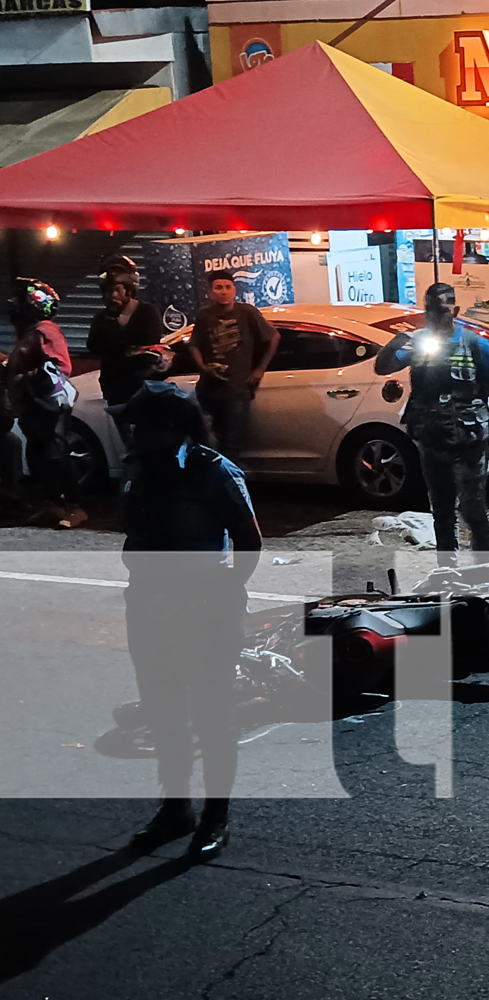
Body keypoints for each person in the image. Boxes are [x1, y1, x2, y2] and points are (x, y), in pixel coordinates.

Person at [112, 381, 262, 861]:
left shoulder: (214, 472)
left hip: (203, 607)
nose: (130, 432)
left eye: (141, 424)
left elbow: (249, 541)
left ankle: (216, 816)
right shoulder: (138, 467)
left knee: (212, 714)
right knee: (163, 709)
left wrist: (223, 593)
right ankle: (176, 809)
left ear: (172, 428)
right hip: (149, 604)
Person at [375, 282, 489, 567]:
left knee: (473, 507)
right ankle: (448, 568)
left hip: (469, 440)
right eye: (430, 311)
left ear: (454, 311)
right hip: (432, 439)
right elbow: (383, 367)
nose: (436, 318)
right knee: (441, 508)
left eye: (442, 311)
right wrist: (396, 341)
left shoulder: (476, 345)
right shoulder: (419, 344)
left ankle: (484, 567)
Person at [2, 277, 84, 527]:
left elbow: (60, 367)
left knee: (55, 455)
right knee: (39, 456)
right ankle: (51, 507)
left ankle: (73, 509)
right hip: (33, 407)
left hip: (48, 407)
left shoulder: (45, 330)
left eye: (20, 300)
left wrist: (21, 376)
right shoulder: (28, 334)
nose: (14, 305)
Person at [188, 270, 279, 462]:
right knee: (210, 441)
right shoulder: (205, 315)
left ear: (234, 290)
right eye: (218, 288)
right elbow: (193, 344)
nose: (223, 292)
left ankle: (228, 485)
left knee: (231, 445)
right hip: (208, 390)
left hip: (237, 390)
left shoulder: (247, 312)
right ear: (210, 292)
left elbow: (274, 337)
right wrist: (203, 367)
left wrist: (259, 370)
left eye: (228, 287)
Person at [87, 255, 167, 443]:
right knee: (129, 443)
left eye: (116, 290)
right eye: (107, 291)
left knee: (150, 440)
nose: (112, 296)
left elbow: (146, 343)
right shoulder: (102, 317)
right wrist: (114, 326)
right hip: (115, 390)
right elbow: (93, 345)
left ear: (129, 290)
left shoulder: (147, 312)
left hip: (143, 389)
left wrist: (118, 342)